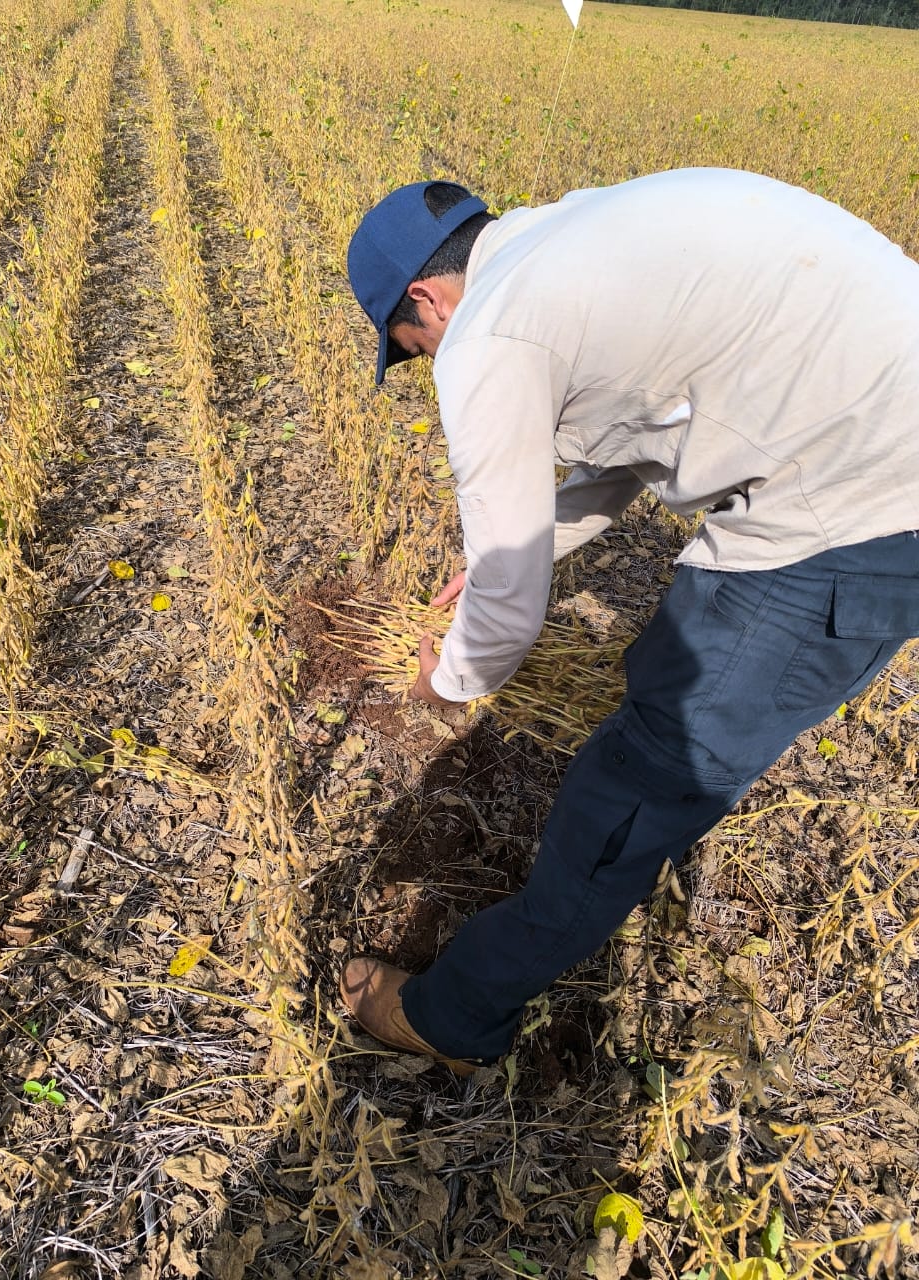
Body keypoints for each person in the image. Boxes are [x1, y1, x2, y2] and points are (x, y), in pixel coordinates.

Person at [340, 169, 919, 1076]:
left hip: (849, 511)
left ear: (427, 299)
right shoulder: (561, 242)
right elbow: (632, 445)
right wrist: (528, 541)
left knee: (640, 777)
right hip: (884, 461)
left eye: (409, 346)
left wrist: (445, 682)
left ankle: (456, 1016)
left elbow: (506, 611)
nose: (423, 363)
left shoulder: (488, 333)